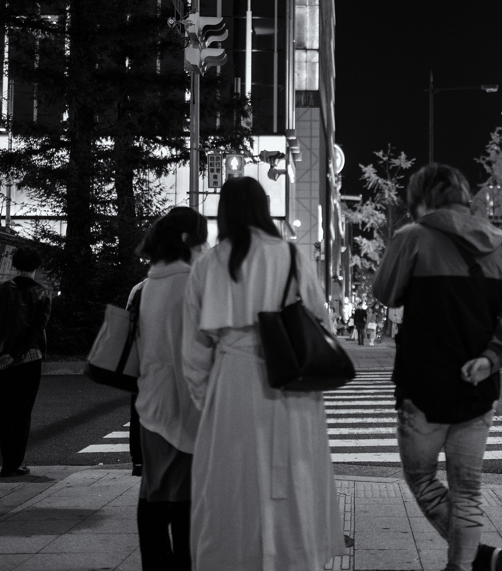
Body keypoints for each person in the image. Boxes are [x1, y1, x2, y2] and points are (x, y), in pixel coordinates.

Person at [181, 177, 345, 570]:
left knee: (229, 483)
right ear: (263, 207)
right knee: (295, 477)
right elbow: (321, 320)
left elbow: (193, 349)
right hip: (290, 381)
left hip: (232, 381)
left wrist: (208, 399)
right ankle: (295, 555)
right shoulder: (290, 255)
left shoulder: (208, 263)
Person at [373, 163, 502, 571]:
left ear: (420, 200)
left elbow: (386, 294)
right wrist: (490, 359)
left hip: (422, 387)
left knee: (424, 481)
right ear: (464, 197)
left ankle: (474, 558)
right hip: (478, 389)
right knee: (468, 491)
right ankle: (465, 564)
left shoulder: (412, 238)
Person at [133, 207, 207, 570]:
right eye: (201, 239)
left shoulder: (149, 284)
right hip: (184, 403)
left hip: (151, 404)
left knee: (153, 493)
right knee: (185, 500)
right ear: (187, 240)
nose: (204, 247)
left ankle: (155, 564)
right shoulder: (191, 282)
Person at [0, 245, 51, 477]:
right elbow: (36, 330)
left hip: (2, 361)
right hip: (29, 359)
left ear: (15, 265)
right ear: (36, 267)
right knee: (23, 411)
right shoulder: (42, 293)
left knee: (5, 410)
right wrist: (17, 353)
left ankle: (6, 461)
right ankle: (14, 462)